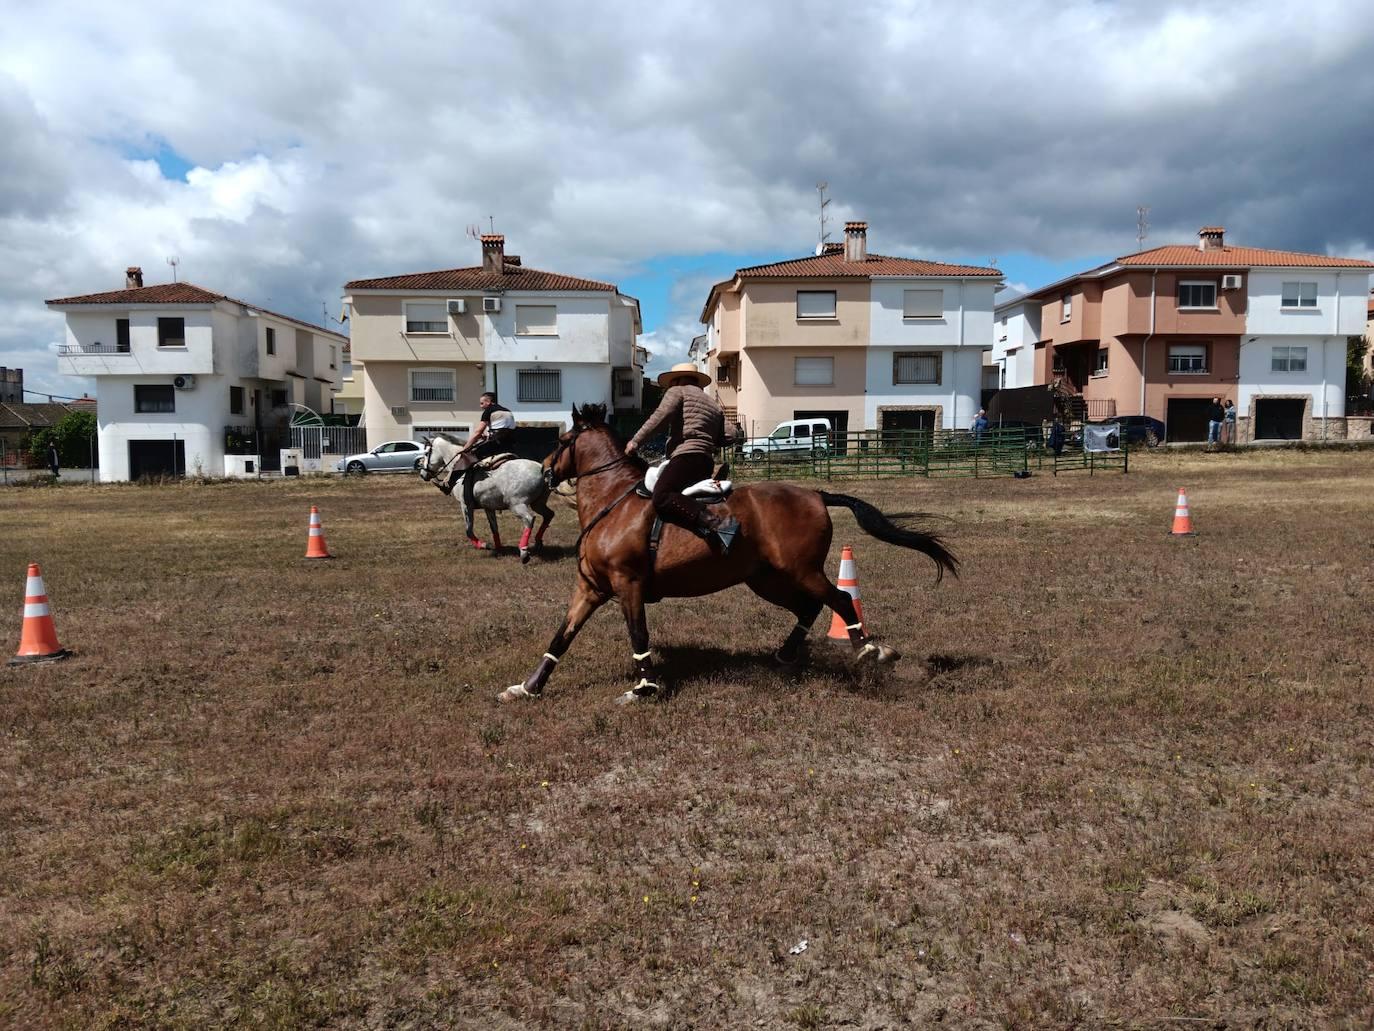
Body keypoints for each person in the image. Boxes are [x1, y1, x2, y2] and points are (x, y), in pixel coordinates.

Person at [625, 363, 740, 555]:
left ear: (676, 379)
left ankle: (716, 524)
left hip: (686, 457)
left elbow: (660, 417)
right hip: (705, 461)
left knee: (662, 496)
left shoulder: (677, 391)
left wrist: (635, 442)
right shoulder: (711, 401)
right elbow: (731, 434)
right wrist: (708, 437)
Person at [457, 391, 516, 507]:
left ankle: (467, 494)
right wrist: (488, 435)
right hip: (511, 445)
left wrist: (465, 448)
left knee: (468, 459)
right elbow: (503, 430)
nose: (481, 406)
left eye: (482, 403)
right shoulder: (507, 410)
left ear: (488, 402)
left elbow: (478, 432)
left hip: (496, 445)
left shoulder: (488, 411)